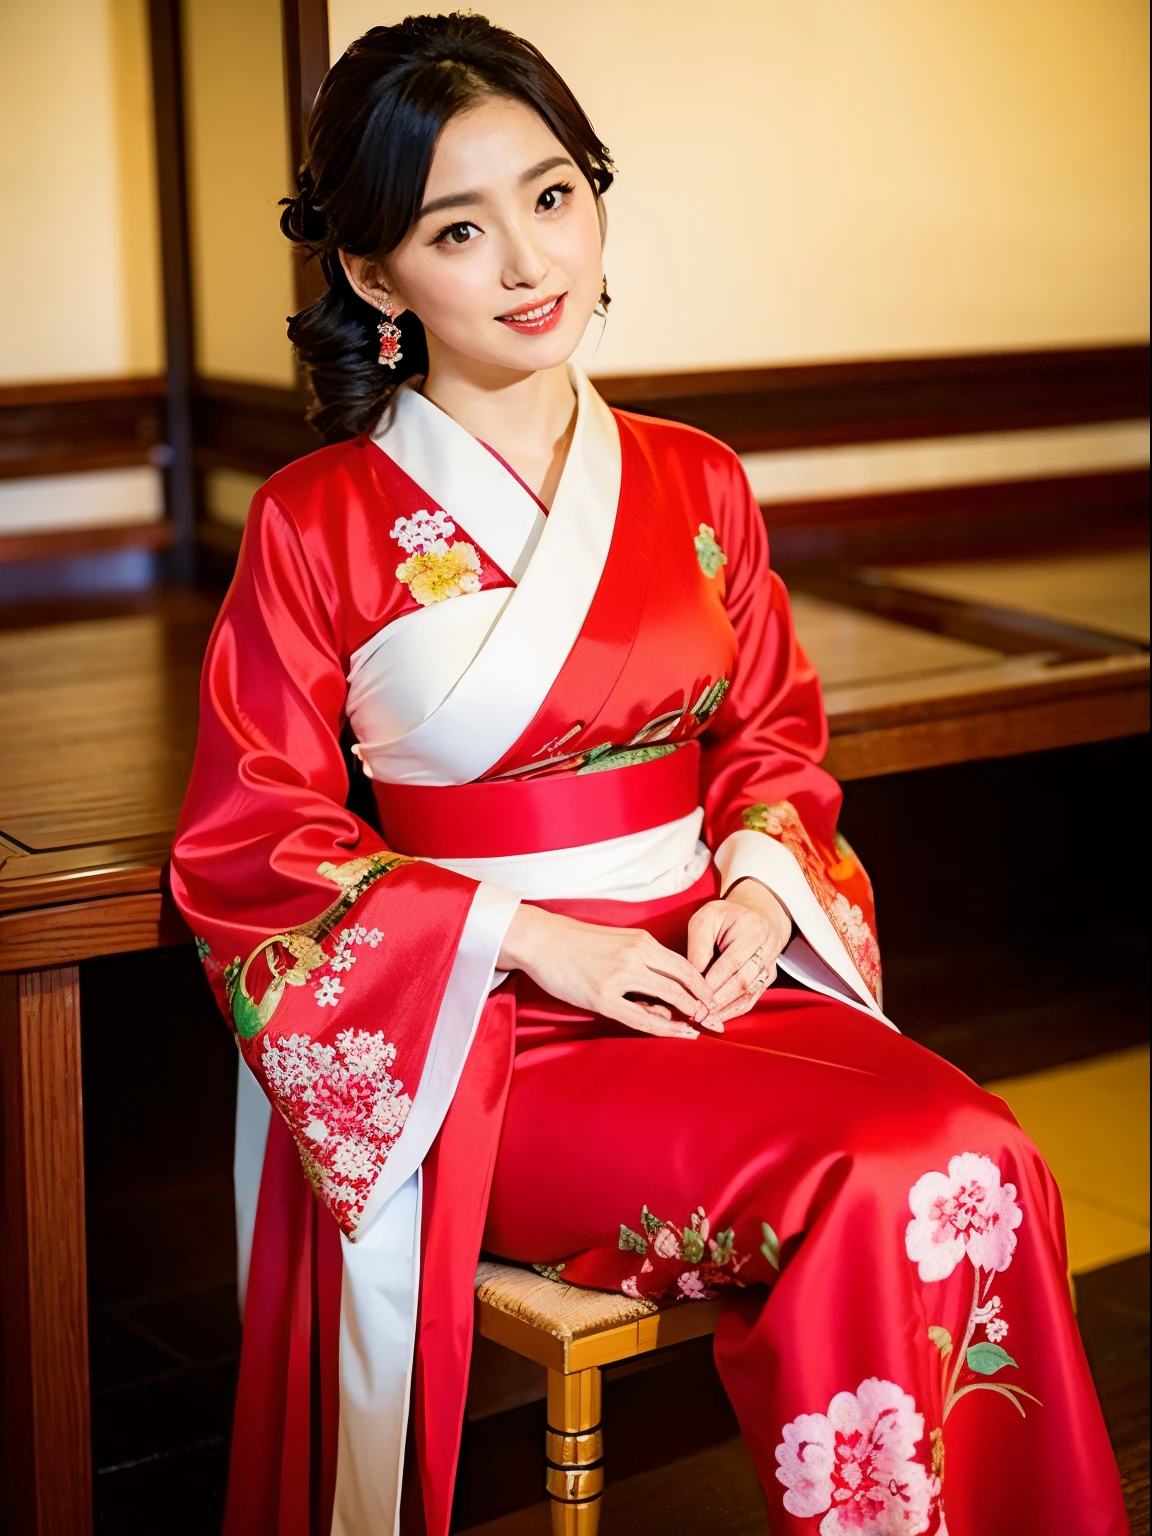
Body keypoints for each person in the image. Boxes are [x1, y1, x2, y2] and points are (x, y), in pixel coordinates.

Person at [171, 15, 1129, 1536]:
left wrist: (758, 891)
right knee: (884, 1174)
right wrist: (538, 942)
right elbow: (253, 840)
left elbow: (770, 743)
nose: (526, 262)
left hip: (708, 974)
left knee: (979, 1155)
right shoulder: (317, 521)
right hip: (486, 1033)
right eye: (456, 229)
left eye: (553, 197)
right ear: (373, 278)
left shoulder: (694, 478)